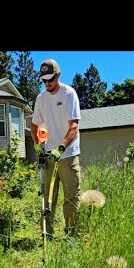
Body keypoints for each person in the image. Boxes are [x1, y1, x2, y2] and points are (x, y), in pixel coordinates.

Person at [31, 58, 81, 238]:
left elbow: (74, 125)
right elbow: (34, 126)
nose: (47, 83)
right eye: (43, 80)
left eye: (50, 79)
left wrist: (61, 147)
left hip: (68, 155)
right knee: (47, 198)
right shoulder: (41, 98)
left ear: (58, 75)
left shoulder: (69, 94)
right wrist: (38, 147)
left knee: (70, 198)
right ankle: (47, 234)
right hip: (50, 155)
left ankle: (72, 234)